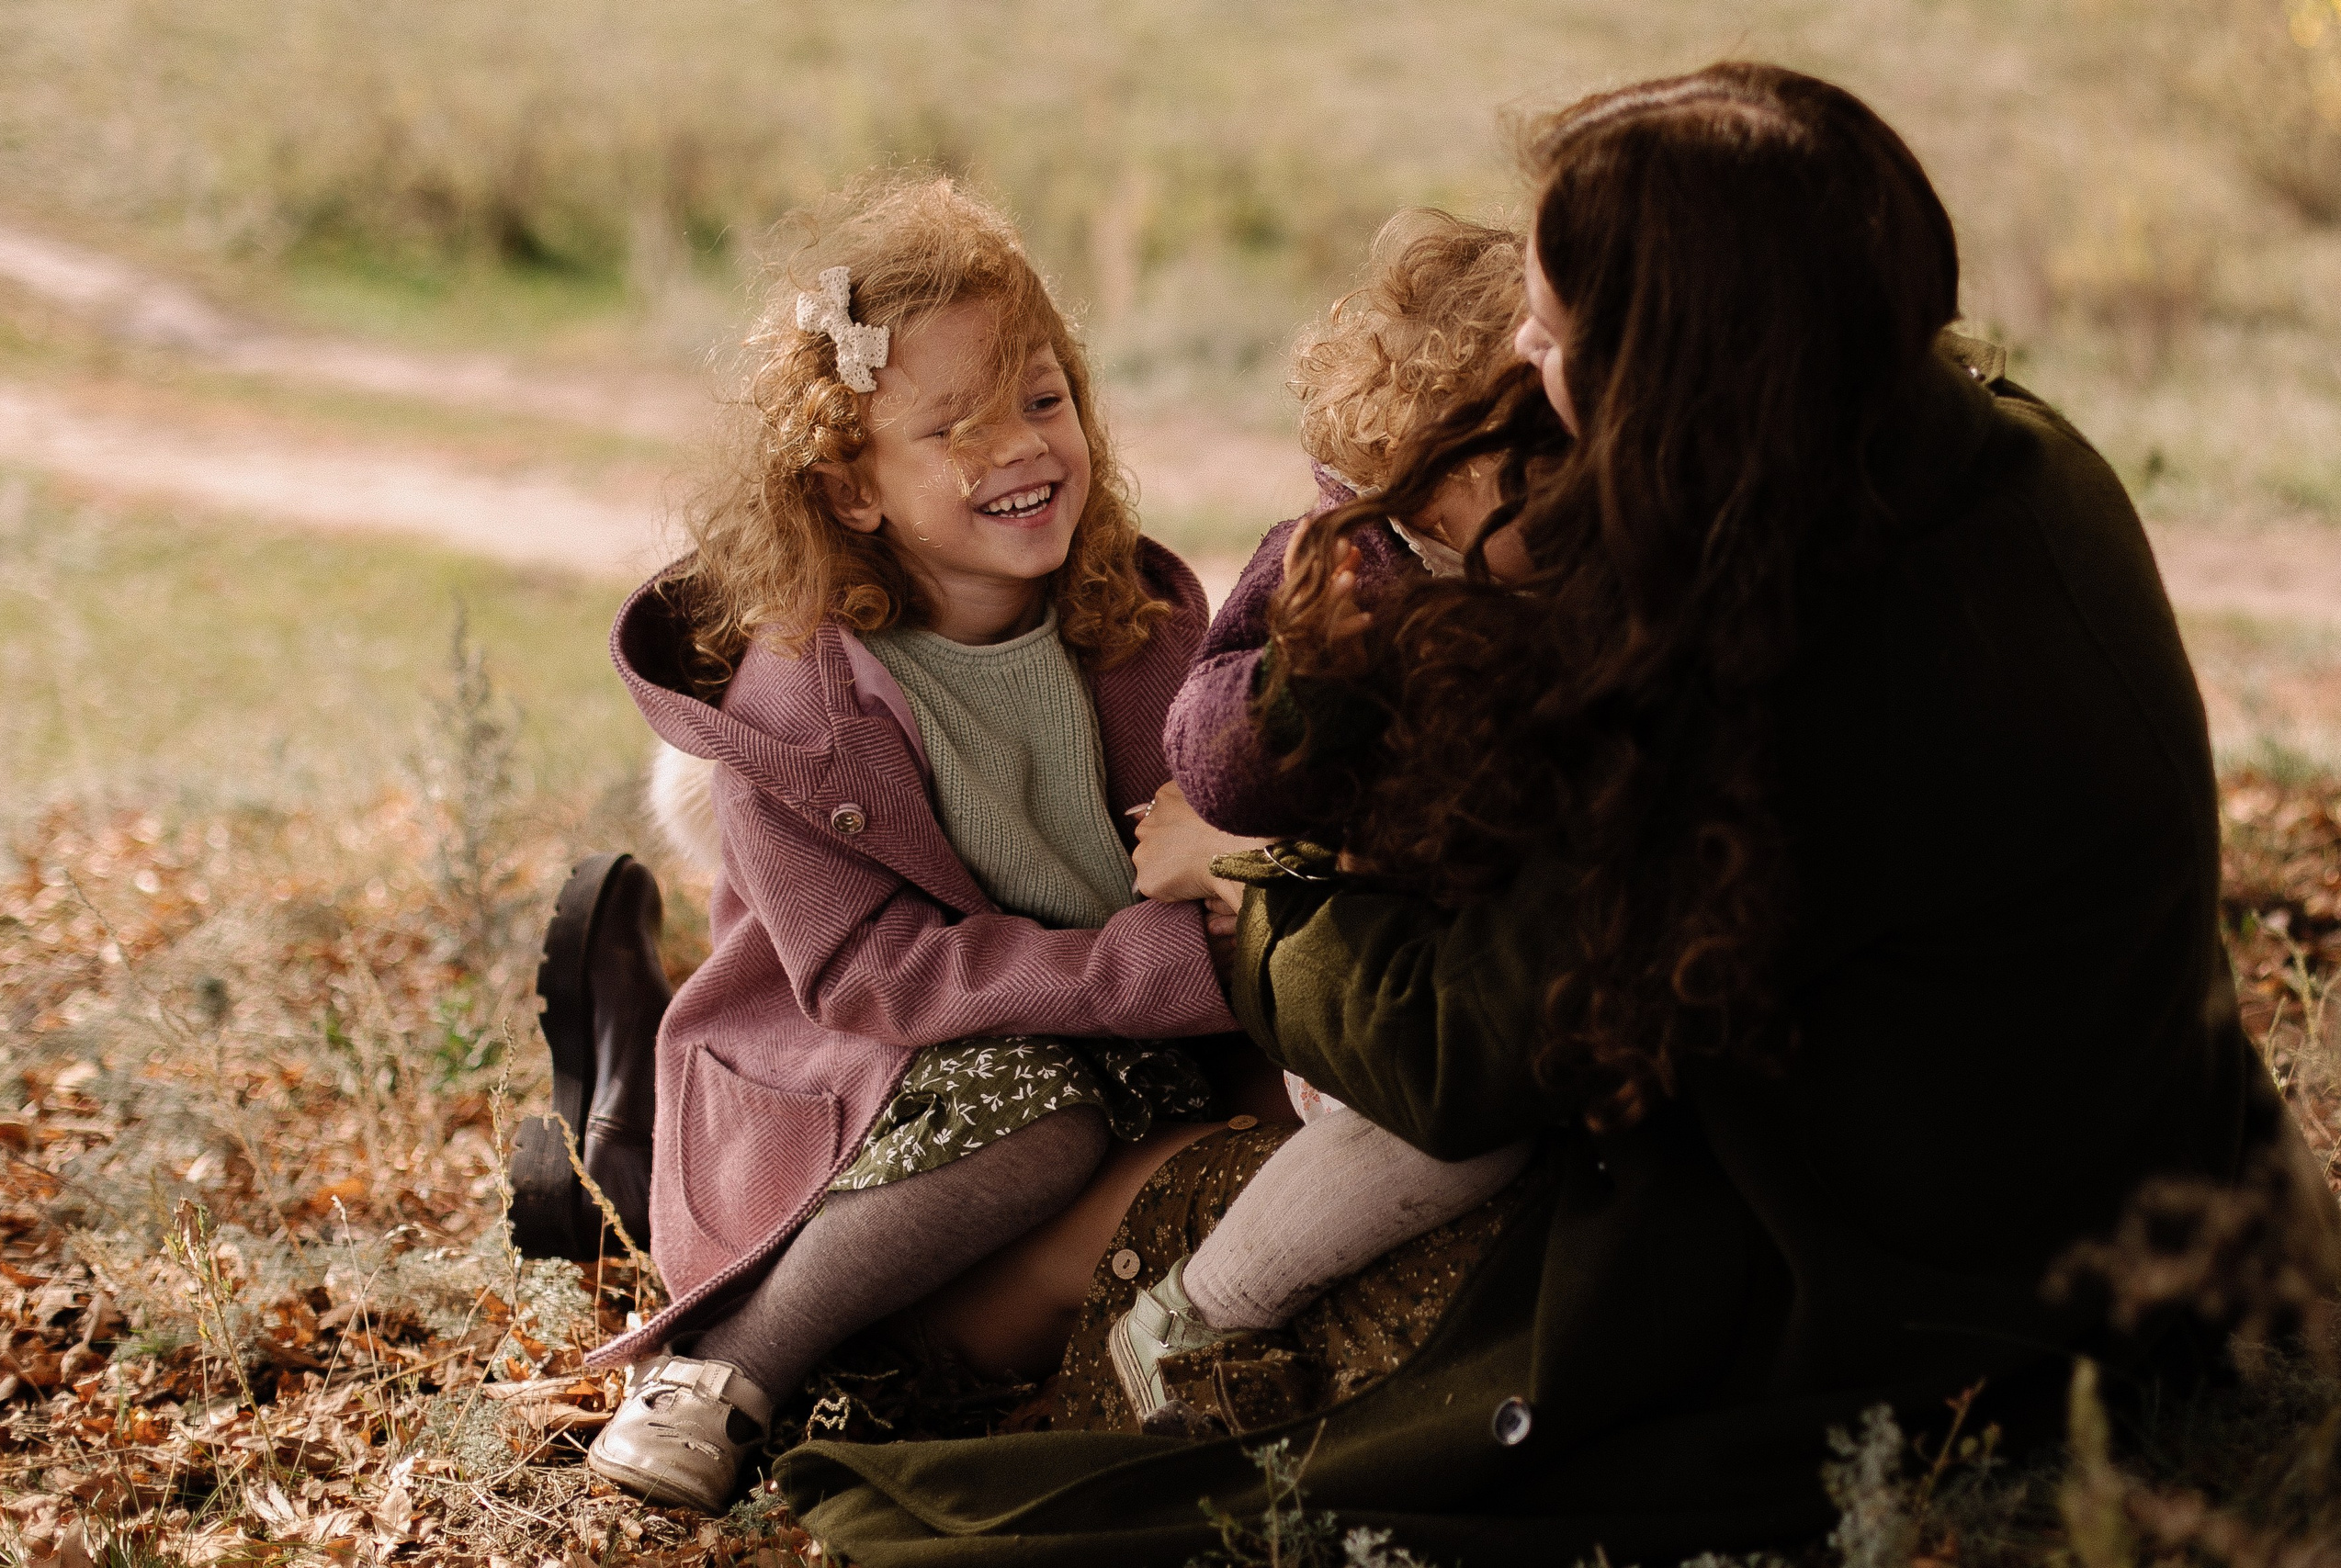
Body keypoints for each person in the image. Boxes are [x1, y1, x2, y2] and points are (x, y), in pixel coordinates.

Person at [767, 63, 2341, 1563]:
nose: (1523, 355)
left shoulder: (1775, 667)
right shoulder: (1997, 450)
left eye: (1554, 328)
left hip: (1902, 1284)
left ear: (1686, 360)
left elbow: (1460, 1057)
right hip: (2131, 1182)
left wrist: (1255, 898)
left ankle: (758, 1194)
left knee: (1138, 1225)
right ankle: (695, 1049)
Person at [578, 177, 1246, 1514]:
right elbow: (873, 978)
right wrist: (1150, 966)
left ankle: (628, 1113)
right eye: (955, 427)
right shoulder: (798, 712)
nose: (1021, 450)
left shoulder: (1141, 628)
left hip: (1125, 1031)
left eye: (1044, 401)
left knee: (1242, 1142)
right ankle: (725, 1361)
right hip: (891, 1059)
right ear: (851, 483)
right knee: (1043, 1122)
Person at [1110, 211, 1536, 1427]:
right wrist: (1310, 685)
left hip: (1456, 948)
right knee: (1454, 1136)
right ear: (1432, 470)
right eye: (1526, 455)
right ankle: (1197, 1312)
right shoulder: (1340, 568)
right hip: (1347, 972)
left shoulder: (1545, 584)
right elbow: (1209, 755)